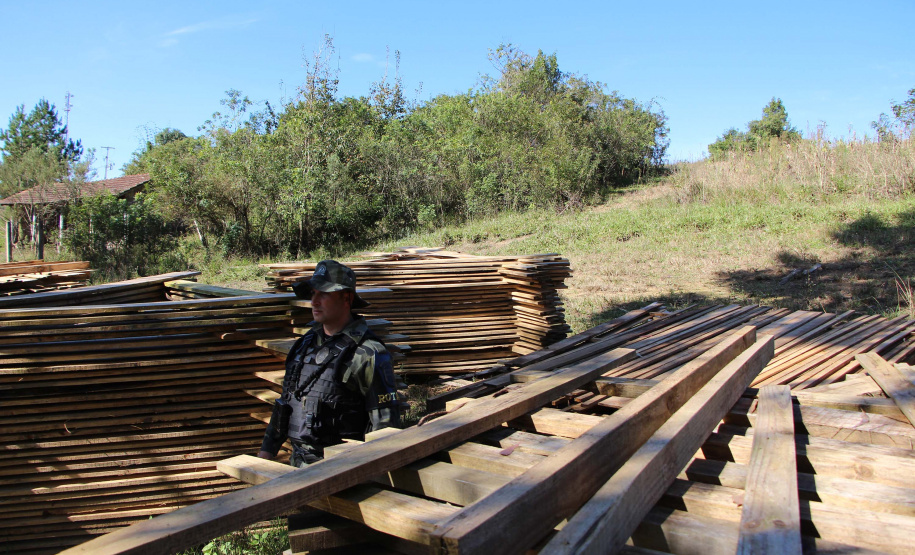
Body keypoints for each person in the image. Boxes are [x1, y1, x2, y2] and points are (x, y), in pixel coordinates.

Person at [258, 260, 401, 466]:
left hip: (342, 469)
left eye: (323, 294)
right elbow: (285, 404)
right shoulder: (304, 346)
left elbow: (386, 429)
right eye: (313, 293)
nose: (314, 301)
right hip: (297, 465)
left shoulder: (368, 353)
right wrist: (265, 455)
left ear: (346, 298)